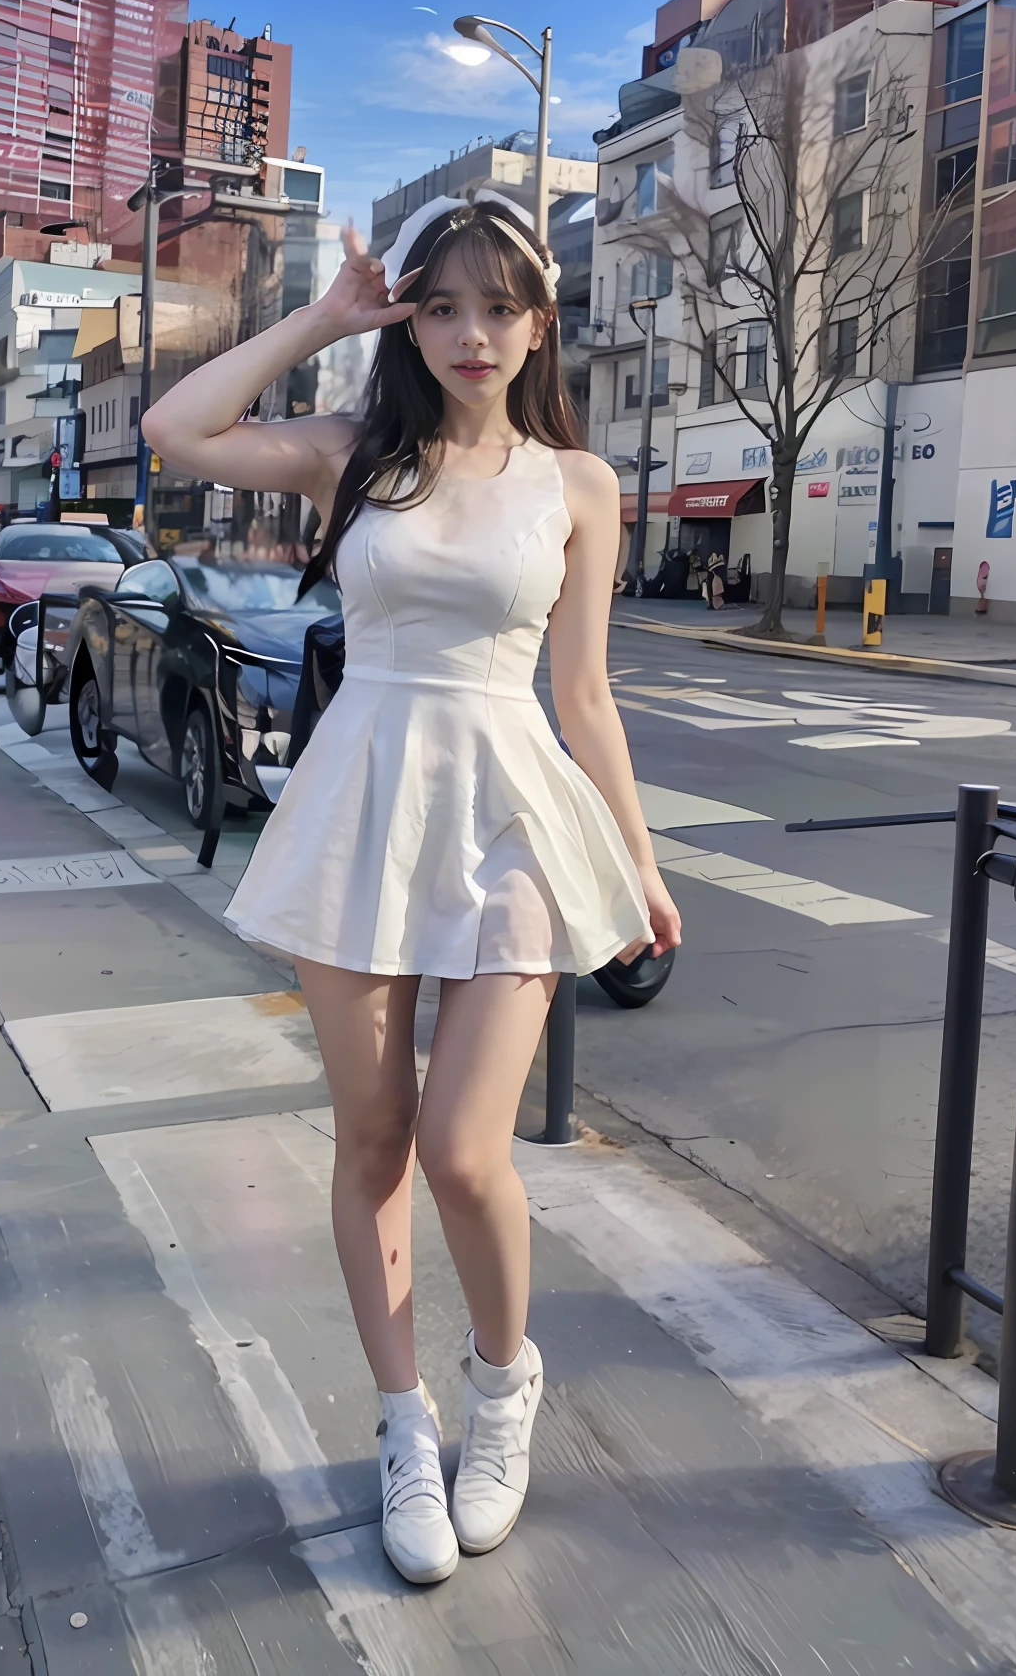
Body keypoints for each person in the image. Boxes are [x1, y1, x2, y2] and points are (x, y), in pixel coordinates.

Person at [142, 195, 680, 1586]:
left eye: (498, 306)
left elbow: (586, 694)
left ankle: (504, 1390)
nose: (469, 333)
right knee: (371, 1140)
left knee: (462, 1151)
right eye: (440, 305)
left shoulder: (577, 485)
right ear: (411, 321)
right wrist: (325, 320)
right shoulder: (355, 458)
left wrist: (640, 857)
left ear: (540, 322)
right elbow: (176, 431)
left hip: (506, 813)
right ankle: (402, 1422)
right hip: (363, 806)